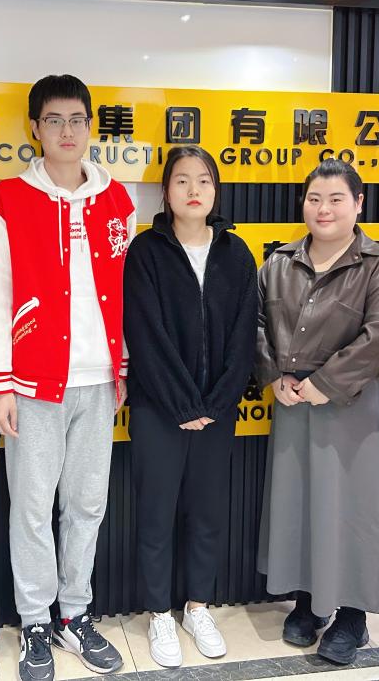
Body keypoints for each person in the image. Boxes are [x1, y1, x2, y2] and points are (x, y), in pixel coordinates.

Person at [0, 74, 134, 681]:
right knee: (31, 507)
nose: (67, 131)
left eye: (76, 120)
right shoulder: (7, 200)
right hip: (33, 383)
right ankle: (35, 621)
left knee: (87, 504)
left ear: (90, 126)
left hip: (99, 379)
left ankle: (75, 613)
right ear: (35, 128)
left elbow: (125, 293)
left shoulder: (118, 200)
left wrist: (122, 367)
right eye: (54, 120)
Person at [256, 158, 379, 665]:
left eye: (336, 199)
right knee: (300, 502)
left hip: (354, 406)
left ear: (358, 204)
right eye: (315, 199)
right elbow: (254, 323)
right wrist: (273, 375)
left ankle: (353, 616)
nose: (324, 209)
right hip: (293, 403)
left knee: (356, 509)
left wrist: (325, 383)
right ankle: (307, 601)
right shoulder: (278, 263)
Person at [123, 145, 258, 668]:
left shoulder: (236, 253)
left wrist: (217, 403)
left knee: (207, 512)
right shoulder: (146, 251)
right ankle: (159, 613)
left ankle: (197, 607)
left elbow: (245, 335)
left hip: (217, 411)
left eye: (203, 180)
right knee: (156, 512)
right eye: (182, 181)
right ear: (166, 191)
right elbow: (145, 334)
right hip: (159, 409)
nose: (193, 190)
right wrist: (182, 403)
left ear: (215, 190)